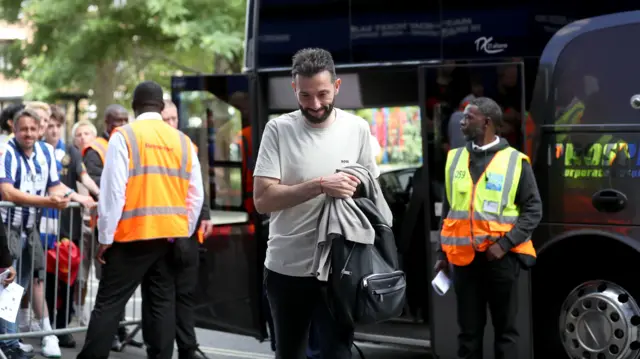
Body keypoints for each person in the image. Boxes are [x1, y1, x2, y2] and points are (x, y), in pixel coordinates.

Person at [253, 48, 379, 359]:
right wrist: (321, 185)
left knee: (338, 353)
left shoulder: (357, 129)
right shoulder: (278, 130)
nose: (315, 104)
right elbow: (263, 199)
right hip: (287, 269)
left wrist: (356, 187)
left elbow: (372, 195)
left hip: (341, 268)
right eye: (305, 95)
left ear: (337, 87)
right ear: (294, 88)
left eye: (323, 94)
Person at [76, 81, 204, 359]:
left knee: (109, 305)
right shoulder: (182, 141)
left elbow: (113, 194)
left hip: (131, 237)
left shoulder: (124, 136)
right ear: (160, 107)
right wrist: (183, 231)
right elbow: (195, 196)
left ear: (134, 107)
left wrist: (105, 238)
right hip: (170, 238)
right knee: (161, 305)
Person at [434, 97, 542, 359]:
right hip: (463, 263)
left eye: (469, 117)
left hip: (501, 262)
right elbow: (449, 212)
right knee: (468, 334)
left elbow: (533, 210)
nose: (462, 121)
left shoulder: (516, 161)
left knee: (506, 332)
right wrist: (442, 254)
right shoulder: (454, 158)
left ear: (487, 123)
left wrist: (504, 244)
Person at [0, 108, 95, 359]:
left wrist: (75, 196)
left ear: (39, 130)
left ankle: (21, 339)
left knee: (27, 281)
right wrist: (47, 202)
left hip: (32, 228)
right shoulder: (7, 152)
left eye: (33, 129)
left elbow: (55, 185)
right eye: (23, 129)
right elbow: (7, 193)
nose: (29, 133)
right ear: (14, 130)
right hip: (7, 228)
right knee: (6, 285)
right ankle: (9, 342)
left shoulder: (46, 152)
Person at [40, 104, 100, 348]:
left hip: (69, 226)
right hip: (44, 225)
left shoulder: (72, 153)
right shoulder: (38, 152)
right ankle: (46, 326)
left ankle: (62, 327)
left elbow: (83, 177)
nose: (53, 130)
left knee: (68, 278)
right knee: (45, 279)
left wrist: (100, 193)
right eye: (50, 126)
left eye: (57, 126)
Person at [161, 99, 213, 359]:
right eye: (165, 119)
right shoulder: (154, 147)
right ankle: (163, 350)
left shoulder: (186, 144)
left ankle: (187, 347)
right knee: (162, 297)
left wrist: (205, 214)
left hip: (186, 229)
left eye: (173, 119)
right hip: (160, 230)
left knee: (185, 293)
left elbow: (198, 184)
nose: (171, 124)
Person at [80, 104, 135, 348]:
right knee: (107, 284)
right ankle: (108, 336)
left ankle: (121, 332)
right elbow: (103, 184)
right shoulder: (95, 150)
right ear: (106, 123)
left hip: (126, 226)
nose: (121, 125)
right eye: (116, 121)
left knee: (120, 283)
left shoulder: (128, 142)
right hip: (103, 227)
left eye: (124, 120)